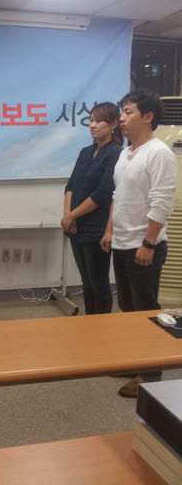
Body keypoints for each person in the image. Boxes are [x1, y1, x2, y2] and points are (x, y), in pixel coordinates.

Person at [100, 89, 177, 398]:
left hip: (144, 245)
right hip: (122, 242)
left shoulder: (159, 153)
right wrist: (109, 231)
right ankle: (137, 362)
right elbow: (117, 196)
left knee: (145, 311)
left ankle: (151, 376)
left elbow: (162, 203)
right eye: (122, 111)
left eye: (128, 112)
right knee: (128, 307)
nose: (121, 118)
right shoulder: (126, 152)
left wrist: (149, 243)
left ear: (148, 116)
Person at [61, 102, 123, 315]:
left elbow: (103, 194)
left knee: (99, 282)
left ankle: (102, 327)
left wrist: (71, 216)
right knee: (86, 281)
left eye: (99, 121)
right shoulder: (85, 152)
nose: (93, 125)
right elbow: (70, 186)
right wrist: (68, 218)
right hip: (75, 227)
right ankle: (89, 324)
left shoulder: (116, 153)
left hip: (96, 229)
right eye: (91, 120)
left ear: (113, 124)